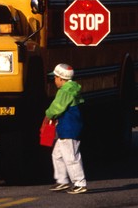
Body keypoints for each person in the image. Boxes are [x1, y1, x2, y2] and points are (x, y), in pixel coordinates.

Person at [45, 63, 87, 194]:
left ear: (61, 79)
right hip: (66, 127)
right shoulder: (71, 88)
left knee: (71, 156)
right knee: (57, 154)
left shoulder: (65, 91)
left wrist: (48, 115)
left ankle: (79, 183)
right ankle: (62, 181)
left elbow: (57, 108)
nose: (54, 81)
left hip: (69, 129)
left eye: (55, 78)